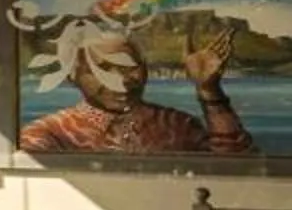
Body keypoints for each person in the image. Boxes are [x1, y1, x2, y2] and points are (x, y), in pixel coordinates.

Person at [20, 22, 255, 155]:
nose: (120, 81)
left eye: (129, 67)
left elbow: (239, 163)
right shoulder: (51, 133)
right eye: (103, 69)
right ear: (73, 76)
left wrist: (210, 91)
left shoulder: (178, 125)